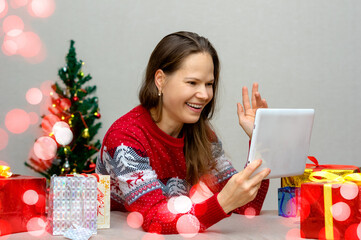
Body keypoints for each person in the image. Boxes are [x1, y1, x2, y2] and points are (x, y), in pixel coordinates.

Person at [96, 31, 271, 234]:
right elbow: (155, 218)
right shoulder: (126, 137)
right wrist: (222, 202)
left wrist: (260, 139)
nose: (204, 95)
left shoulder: (202, 136)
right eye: (192, 83)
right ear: (160, 80)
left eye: (209, 84)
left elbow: (246, 206)